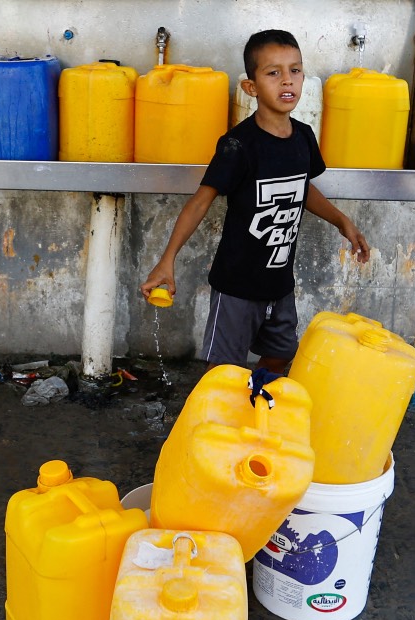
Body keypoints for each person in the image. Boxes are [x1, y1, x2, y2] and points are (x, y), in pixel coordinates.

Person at [139, 29, 369, 374]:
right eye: (273, 73)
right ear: (251, 87)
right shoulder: (238, 145)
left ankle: (253, 410)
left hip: (279, 283)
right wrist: (167, 259)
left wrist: (342, 222)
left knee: (281, 354)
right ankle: (215, 422)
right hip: (236, 286)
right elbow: (200, 203)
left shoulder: (304, 137)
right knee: (222, 372)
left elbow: (301, 188)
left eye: (295, 70)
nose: (287, 80)